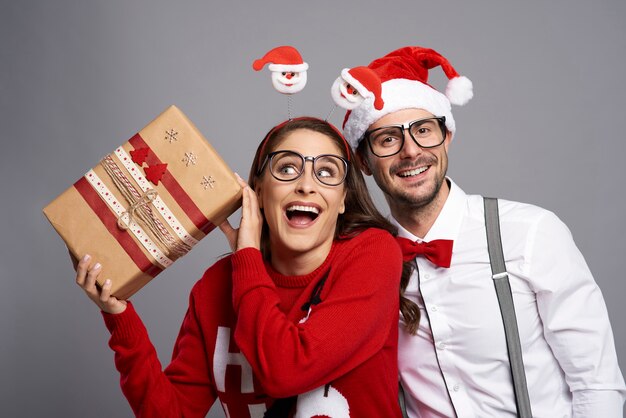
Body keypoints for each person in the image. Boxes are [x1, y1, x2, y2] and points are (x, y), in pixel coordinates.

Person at [341, 46, 626, 417]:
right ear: (363, 160)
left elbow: (597, 384)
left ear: (447, 138)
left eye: (424, 130)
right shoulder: (366, 263)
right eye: (388, 139)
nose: (411, 151)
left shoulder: (531, 232)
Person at [74, 117, 409, 417]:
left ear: (343, 201)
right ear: (259, 192)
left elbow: (286, 370)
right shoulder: (215, 287)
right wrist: (119, 317)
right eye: (287, 168)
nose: (306, 184)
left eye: (326, 171)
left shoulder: (373, 255)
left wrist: (246, 254)